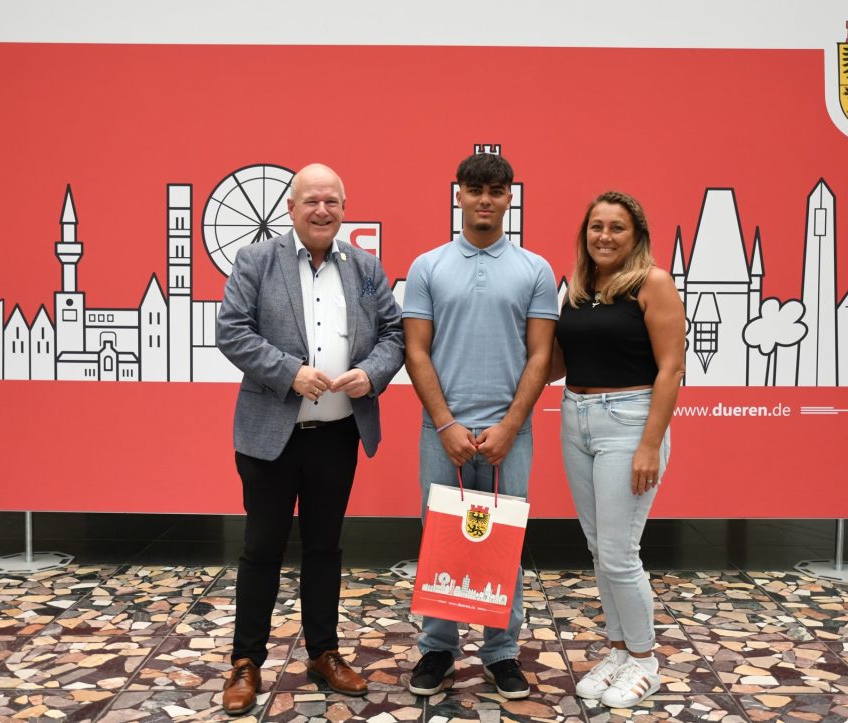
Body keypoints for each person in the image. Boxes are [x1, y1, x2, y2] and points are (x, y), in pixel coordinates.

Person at [216, 163, 404, 715]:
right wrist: (288, 371)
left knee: (325, 547)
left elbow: (393, 334)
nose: (322, 211)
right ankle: (246, 663)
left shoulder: (365, 267)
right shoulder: (256, 260)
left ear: (344, 209)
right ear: (291, 208)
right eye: (311, 201)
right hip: (271, 435)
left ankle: (324, 653)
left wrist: (372, 373)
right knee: (262, 549)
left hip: (338, 433)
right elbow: (231, 330)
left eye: (332, 202)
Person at [402, 152, 558, 700]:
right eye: (475, 189)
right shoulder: (428, 266)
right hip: (441, 431)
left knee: (503, 542)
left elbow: (540, 356)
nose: (485, 199)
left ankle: (501, 652)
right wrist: (445, 423)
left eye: (496, 190)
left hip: (509, 434)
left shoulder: (536, 270)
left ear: (509, 196)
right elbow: (416, 351)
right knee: (440, 539)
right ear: (460, 195)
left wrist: (512, 426)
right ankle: (438, 648)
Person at [551, 191, 685, 708]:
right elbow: (559, 365)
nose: (604, 236)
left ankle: (645, 659)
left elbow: (671, 369)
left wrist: (650, 443)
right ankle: (618, 649)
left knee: (619, 552)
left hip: (629, 423)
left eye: (616, 228)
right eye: (596, 227)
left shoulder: (653, 284)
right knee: (597, 549)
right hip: (575, 418)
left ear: (637, 236)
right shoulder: (579, 289)